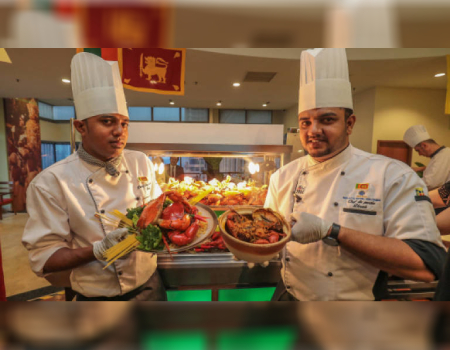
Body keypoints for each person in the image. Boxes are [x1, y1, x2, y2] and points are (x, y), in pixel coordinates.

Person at [265, 48, 447, 301]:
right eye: (305, 122)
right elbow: (269, 239)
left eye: (326, 120)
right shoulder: (282, 176)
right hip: (290, 298)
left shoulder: (392, 175)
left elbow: (427, 265)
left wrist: (332, 231)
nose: (313, 130)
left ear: (349, 124)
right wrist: (253, 249)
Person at [22, 52, 166, 301]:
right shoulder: (51, 182)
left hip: (151, 285)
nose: (119, 132)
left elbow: (157, 209)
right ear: (80, 127)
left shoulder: (140, 161)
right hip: (98, 297)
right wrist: (98, 250)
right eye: (107, 121)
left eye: (125, 123)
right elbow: (44, 258)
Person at [403, 125, 450, 191]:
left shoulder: (444, 155)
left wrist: (406, 181)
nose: (419, 154)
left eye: (418, 150)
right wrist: (421, 168)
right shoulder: (441, 155)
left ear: (424, 145)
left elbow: (430, 184)